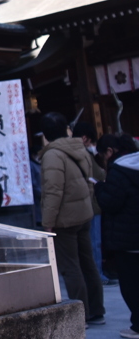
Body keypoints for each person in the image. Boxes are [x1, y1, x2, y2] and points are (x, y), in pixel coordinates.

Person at [38, 112, 105, 326]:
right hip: (84, 214)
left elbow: (53, 191)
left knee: (71, 266)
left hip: (64, 219)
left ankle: (80, 314)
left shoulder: (52, 155)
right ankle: (96, 310)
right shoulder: (80, 148)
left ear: (46, 134)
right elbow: (90, 180)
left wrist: (47, 222)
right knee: (88, 264)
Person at [96, 139, 139, 339]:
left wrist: (99, 189)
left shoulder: (118, 171)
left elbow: (110, 202)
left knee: (132, 285)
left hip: (127, 238)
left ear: (110, 151)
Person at [73, 121, 111, 285]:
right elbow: (99, 176)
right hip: (91, 203)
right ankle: (97, 274)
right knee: (94, 242)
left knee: (86, 242)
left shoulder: (68, 153)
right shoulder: (84, 154)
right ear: (85, 138)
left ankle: (92, 274)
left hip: (77, 203)